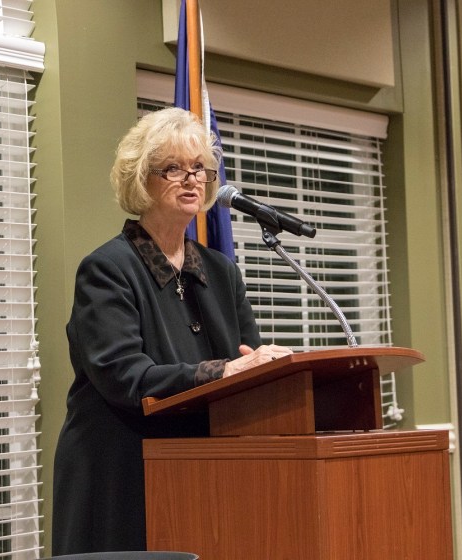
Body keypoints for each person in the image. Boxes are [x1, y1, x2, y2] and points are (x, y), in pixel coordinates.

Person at [51, 107, 292, 554]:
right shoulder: (107, 270)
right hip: (120, 475)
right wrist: (220, 372)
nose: (192, 180)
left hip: (201, 474)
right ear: (142, 180)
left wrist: (263, 367)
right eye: (174, 169)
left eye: (199, 168)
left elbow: (248, 361)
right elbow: (126, 377)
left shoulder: (221, 272)